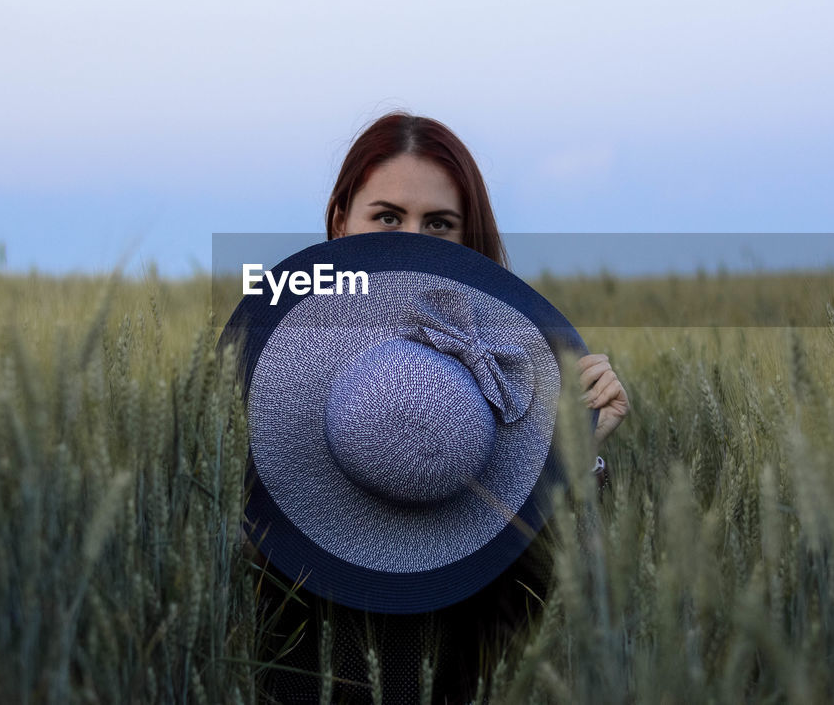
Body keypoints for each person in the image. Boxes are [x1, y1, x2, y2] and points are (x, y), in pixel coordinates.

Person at [247, 112, 630, 704]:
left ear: (468, 237)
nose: (410, 242)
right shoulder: (262, 370)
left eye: (440, 224)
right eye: (388, 217)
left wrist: (578, 460)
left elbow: (566, 613)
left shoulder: (507, 370)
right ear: (339, 222)